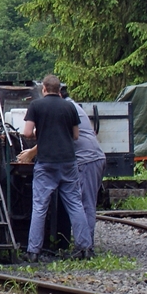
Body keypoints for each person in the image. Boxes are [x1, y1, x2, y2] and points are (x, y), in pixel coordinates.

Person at [19, 74, 91, 262]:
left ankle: (33, 251)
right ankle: (84, 248)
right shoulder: (70, 107)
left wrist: (40, 132)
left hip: (46, 163)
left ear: (44, 88)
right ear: (59, 90)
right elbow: (75, 135)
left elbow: (27, 132)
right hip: (68, 162)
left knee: (40, 206)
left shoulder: (36, 106)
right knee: (75, 204)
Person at [61, 84, 105, 257]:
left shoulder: (68, 108)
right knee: (82, 203)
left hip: (88, 159)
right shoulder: (71, 105)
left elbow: (61, 135)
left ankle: (87, 248)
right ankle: (84, 244)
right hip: (90, 157)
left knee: (86, 205)